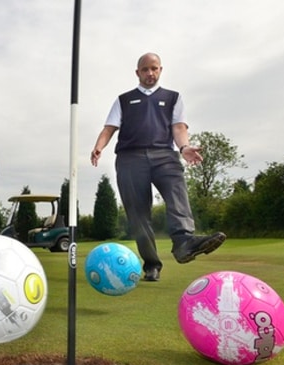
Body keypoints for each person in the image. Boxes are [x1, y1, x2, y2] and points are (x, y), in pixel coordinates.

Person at [90, 52, 225, 282]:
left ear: (161, 70)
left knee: (177, 191)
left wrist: (184, 148)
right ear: (137, 73)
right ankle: (152, 264)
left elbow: (179, 127)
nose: (150, 73)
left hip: (164, 155)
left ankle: (183, 242)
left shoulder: (173, 97)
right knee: (138, 215)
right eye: (145, 69)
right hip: (129, 158)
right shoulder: (124, 100)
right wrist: (99, 146)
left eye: (154, 68)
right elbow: (109, 128)